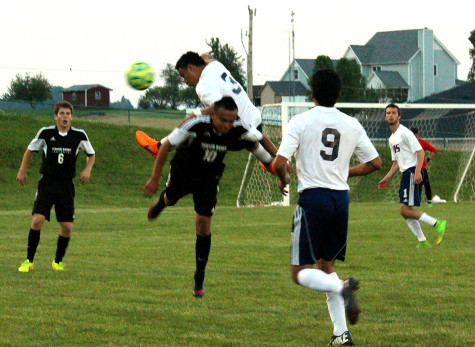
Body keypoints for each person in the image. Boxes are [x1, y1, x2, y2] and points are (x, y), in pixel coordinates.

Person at [273, 69, 382, 346]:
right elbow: (375, 164)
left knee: (300, 273)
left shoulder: (300, 121)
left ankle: (341, 287)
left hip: (313, 199)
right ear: (338, 94)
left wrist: (284, 176)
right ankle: (340, 334)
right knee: (325, 265)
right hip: (340, 202)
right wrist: (346, 172)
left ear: (312, 93)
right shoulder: (351, 124)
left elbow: (278, 162)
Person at [143, 96, 273, 298]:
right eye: (223, 120)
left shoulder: (239, 128)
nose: (227, 125)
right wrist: (154, 178)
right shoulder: (196, 125)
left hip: (209, 179)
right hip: (183, 171)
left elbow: (260, 146)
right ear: (213, 115)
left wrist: (280, 168)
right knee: (170, 198)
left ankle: (199, 276)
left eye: (231, 120)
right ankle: (161, 204)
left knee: (203, 224)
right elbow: (166, 146)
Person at [136, 51, 281, 170]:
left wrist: (196, 114)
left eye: (183, 76)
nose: (185, 82)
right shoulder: (216, 65)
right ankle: (271, 165)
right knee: (253, 142)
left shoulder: (203, 86)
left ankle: (158, 147)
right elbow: (207, 57)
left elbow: (219, 106)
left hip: (234, 131)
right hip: (254, 119)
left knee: (193, 128)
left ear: (192, 68)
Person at [16, 100, 95, 272]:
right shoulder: (46, 133)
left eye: (67, 114)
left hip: (66, 185)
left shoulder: (79, 135)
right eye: (61, 114)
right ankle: (28, 261)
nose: (65, 117)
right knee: (37, 220)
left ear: (72, 117)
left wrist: (87, 169)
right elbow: (30, 150)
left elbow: (91, 154)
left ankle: (57, 262)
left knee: (67, 227)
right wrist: (22, 170)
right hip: (47, 183)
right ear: (55, 116)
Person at [378, 104, 446, 248]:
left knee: (404, 209)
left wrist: (416, 172)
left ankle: (437, 224)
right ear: (385, 117)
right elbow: (397, 162)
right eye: (388, 113)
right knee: (404, 211)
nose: (390, 115)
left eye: (393, 113)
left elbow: (420, 152)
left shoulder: (405, 133)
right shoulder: (392, 139)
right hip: (406, 173)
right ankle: (422, 241)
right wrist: (387, 178)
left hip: (411, 172)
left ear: (399, 116)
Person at [410, 127, 437, 206]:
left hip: (422, 168)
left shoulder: (422, 143)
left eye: (413, 134)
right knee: (416, 185)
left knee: (426, 184)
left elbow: (434, 150)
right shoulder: (409, 143)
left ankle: (429, 202)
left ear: (417, 134)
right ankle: (416, 202)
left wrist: (427, 159)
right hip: (413, 167)